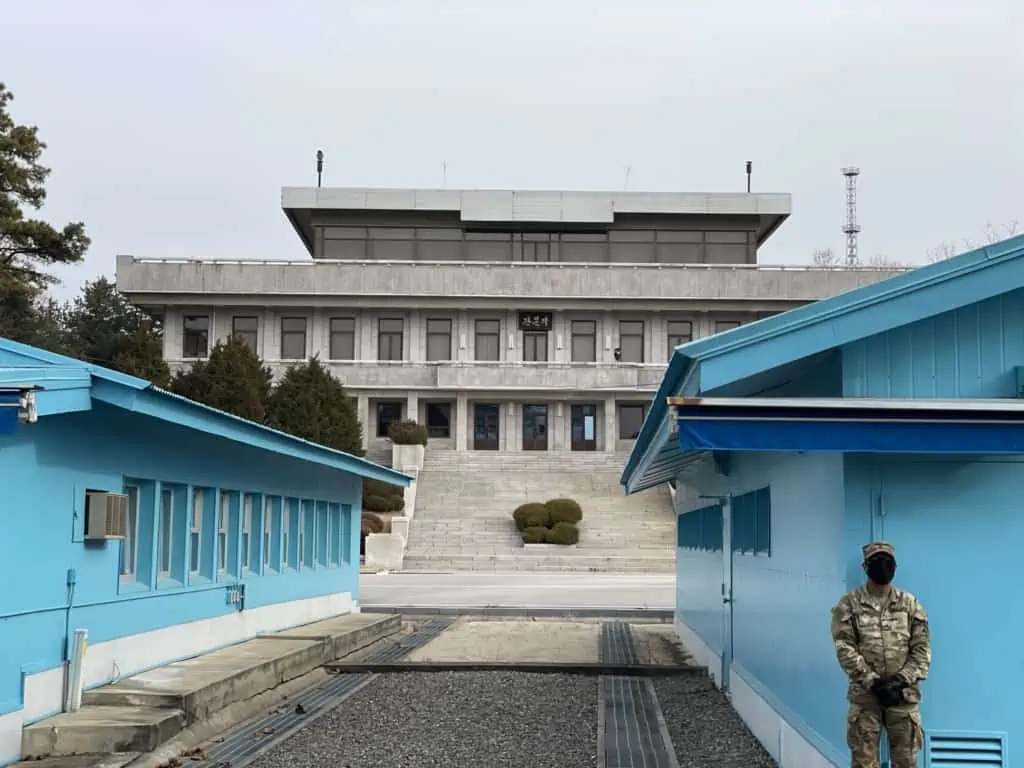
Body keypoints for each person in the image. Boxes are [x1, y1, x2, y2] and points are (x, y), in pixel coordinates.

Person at [830, 541, 931, 768]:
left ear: (895, 567)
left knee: (906, 762)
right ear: (865, 567)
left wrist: (900, 680)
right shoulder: (848, 605)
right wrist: (872, 681)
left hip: (903, 696)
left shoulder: (910, 604)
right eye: (876, 562)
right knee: (864, 763)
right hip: (866, 698)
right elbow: (844, 647)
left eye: (888, 562)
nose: (883, 567)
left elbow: (922, 650)